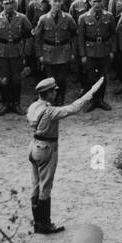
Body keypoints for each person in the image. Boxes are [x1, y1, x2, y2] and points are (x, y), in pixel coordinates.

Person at [26, 74, 105, 234]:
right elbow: (74, 108)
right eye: (53, 91)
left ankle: (37, 222)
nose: (55, 93)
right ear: (48, 94)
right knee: (45, 187)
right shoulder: (49, 111)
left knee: (35, 185)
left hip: (34, 146)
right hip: (47, 148)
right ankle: (45, 224)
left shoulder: (33, 107)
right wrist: (90, 93)